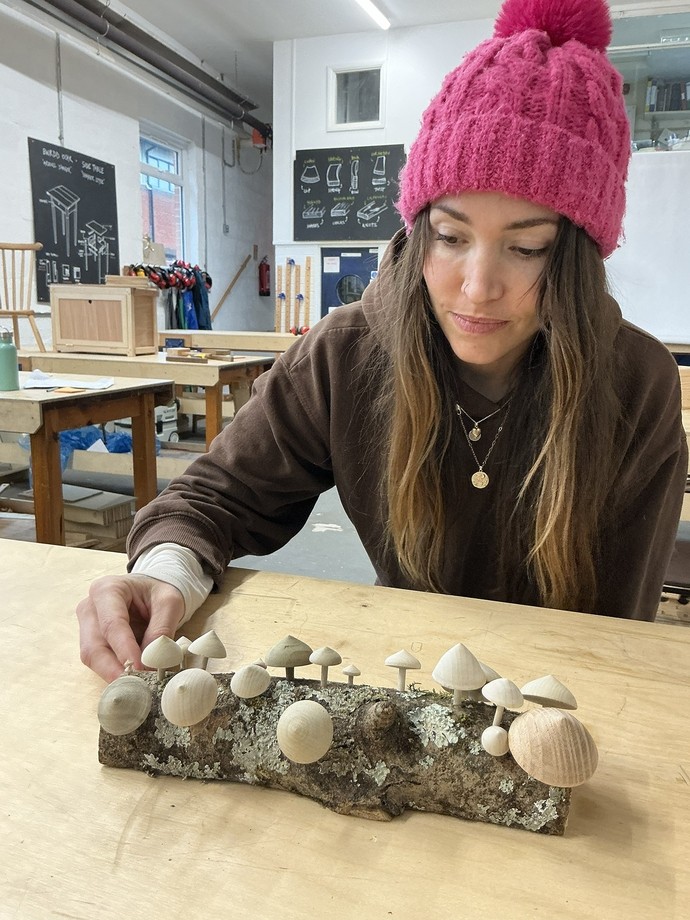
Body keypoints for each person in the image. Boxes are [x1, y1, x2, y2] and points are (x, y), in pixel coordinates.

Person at [78, 0, 688, 682]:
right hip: (400, 678)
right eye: (450, 237)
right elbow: (216, 498)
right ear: (419, 228)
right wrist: (165, 571)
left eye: (527, 248)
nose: (476, 286)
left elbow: (616, 632)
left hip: (559, 693)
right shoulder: (345, 352)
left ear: (575, 256)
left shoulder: (635, 381)